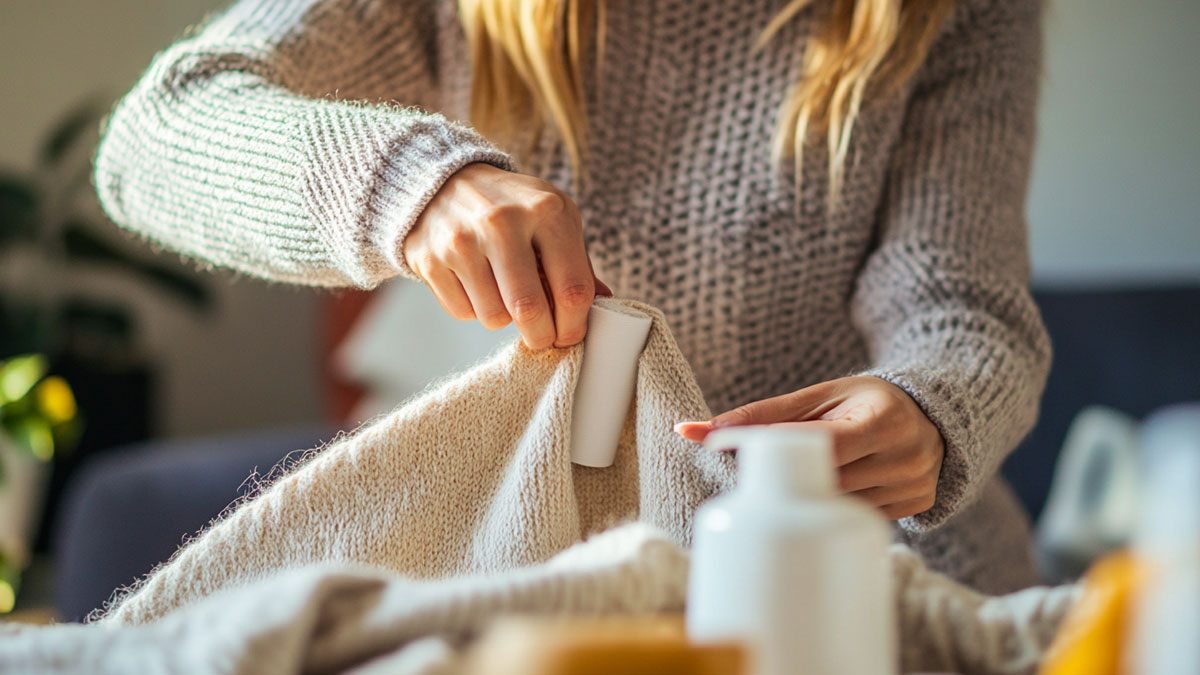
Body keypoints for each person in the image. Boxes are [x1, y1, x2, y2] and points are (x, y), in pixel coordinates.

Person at [94, 0, 1050, 593]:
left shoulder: (949, 11)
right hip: (548, 582)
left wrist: (932, 413)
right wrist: (412, 185)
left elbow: (964, 307)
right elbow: (156, 135)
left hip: (881, 575)